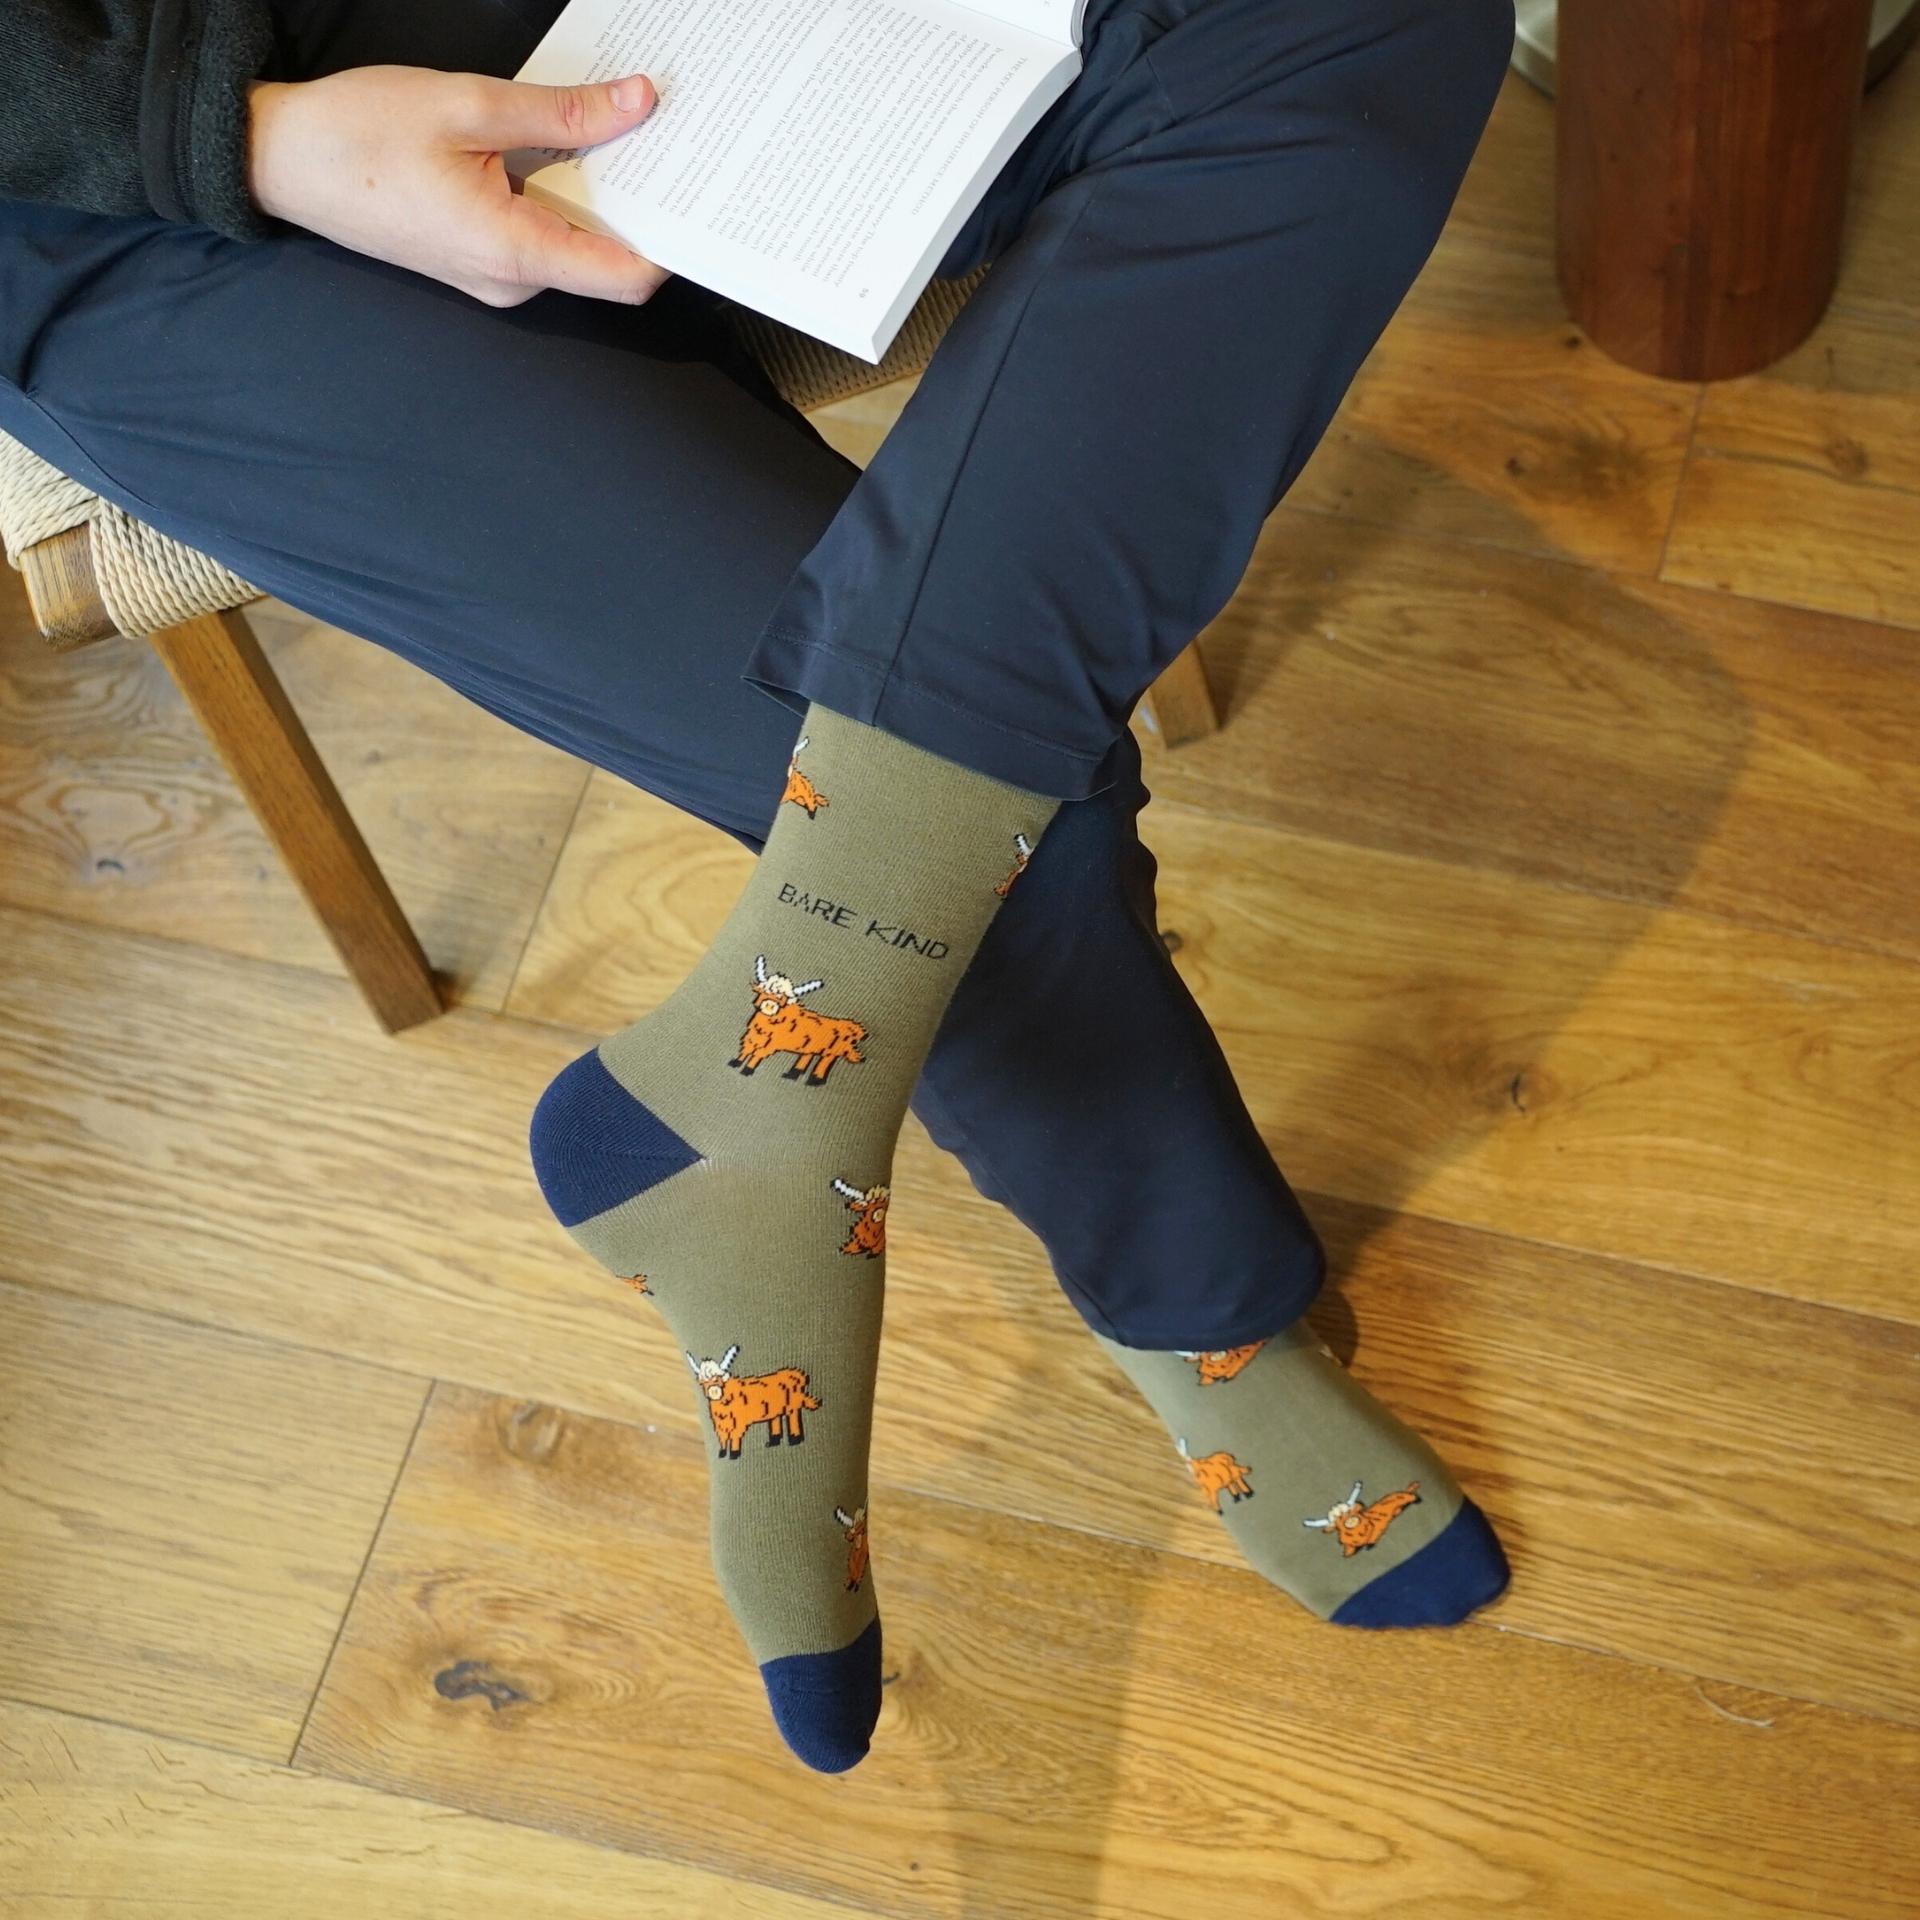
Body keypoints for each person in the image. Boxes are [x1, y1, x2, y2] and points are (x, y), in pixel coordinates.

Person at [1, 0, 1518, 1773]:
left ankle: (764, 1118)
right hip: (158, 173)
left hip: (660, 29)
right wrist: (230, 129)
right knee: (958, 809)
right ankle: (1208, 1322)